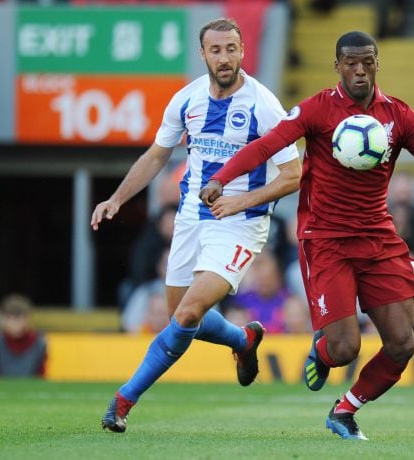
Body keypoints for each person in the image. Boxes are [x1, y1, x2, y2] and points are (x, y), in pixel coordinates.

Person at [200, 31, 414, 440]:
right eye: (351, 62)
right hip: (326, 241)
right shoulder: (317, 109)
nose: (360, 70)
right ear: (337, 66)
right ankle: (322, 348)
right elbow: (266, 146)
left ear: (377, 64)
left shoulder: (398, 115)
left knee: (403, 344)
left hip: (378, 238)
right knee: (344, 349)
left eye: (367, 61)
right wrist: (221, 177)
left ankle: (345, 410)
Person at [90, 18, 301, 433]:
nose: (225, 58)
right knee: (181, 319)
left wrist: (241, 201)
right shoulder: (186, 100)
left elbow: (293, 175)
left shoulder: (263, 104)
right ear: (202, 54)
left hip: (240, 222)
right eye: (216, 50)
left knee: (186, 315)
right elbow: (156, 154)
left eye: (232, 49)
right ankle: (243, 340)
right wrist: (116, 198)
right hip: (191, 218)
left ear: (242, 51)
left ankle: (122, 400)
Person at [0, 294, 47, 377]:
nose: (15, 323)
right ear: (4, 320)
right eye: (10, 318)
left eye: (18, 318)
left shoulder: (40, 343)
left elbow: (40, 376)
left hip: (31, 388)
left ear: (27, 319)